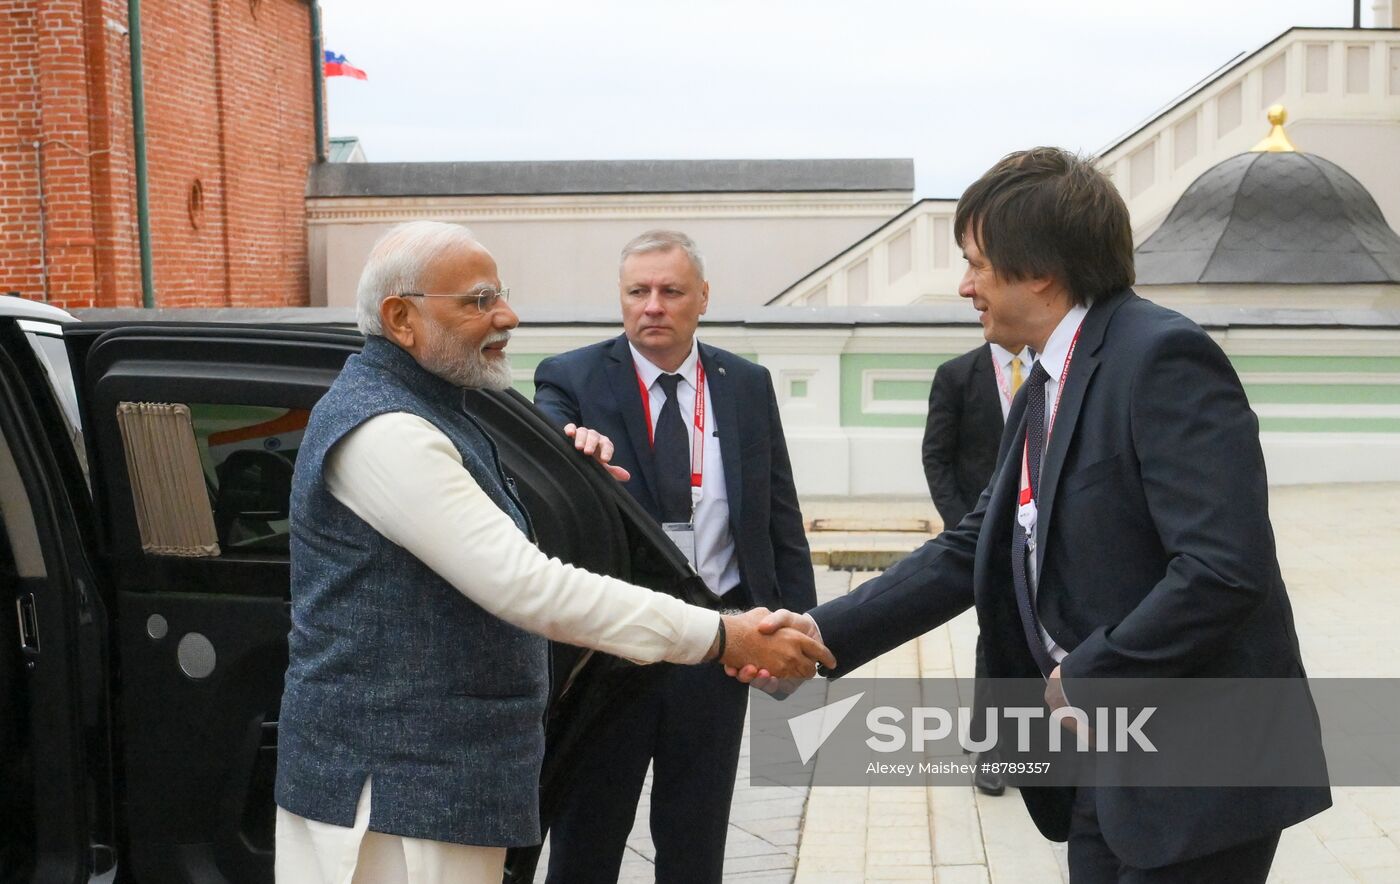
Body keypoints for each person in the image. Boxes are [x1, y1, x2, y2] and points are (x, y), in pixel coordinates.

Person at [740, 148, 1330, 883]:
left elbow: (1221, 570)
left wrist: (1091, 670)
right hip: (1102, 761)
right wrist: (823, 634)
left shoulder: (1163, 359)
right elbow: (971, 548)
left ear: (1041, 272)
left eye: (977, 264)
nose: (965, 286)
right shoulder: (1045, 381)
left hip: (1197, 777)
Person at [273, 221, 833, 884]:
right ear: (402, 317)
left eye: (499, 295)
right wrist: (720, 634)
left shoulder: (449, 407)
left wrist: (581, 489)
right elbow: (523, 583)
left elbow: (502, 525)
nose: (506, 316)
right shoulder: (388, 430)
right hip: (398, 798)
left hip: (442, 786)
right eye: (479, 301)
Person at [533, 229, 817, 883]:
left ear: (702, 298)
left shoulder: (744, 384)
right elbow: (546, 433)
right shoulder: (572, 377)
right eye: (638, 291)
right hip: (609, 655)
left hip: (718, 651)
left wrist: (800, 628)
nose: (653, 306)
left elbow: (779, 515)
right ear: (622, 298)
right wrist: (567, 440)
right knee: (586, 843)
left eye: (670, 291)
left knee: (695, 845)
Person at [921, 340, 1033, 795]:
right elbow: (937, 458)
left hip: (1044, 530)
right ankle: (992, 751)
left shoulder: (1055, 367)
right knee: (996, 635)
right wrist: (966, 526)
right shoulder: (957, 375)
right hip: (985, 534)